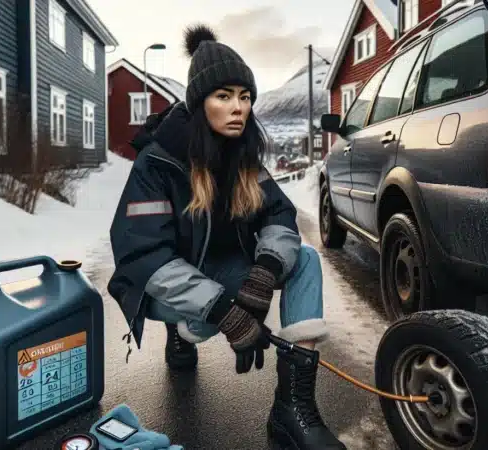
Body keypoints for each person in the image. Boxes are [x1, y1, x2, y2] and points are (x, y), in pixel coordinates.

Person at [107, 24, 346, 450]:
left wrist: (264, 274)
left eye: (246, 96)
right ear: (199, 104)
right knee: (196, 310)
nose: (239, 108)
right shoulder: (157, 164)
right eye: (224, 96)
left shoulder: (244, 157)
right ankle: (180, 332)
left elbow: (279, 214)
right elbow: (142, 254)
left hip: (226, 268)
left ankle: (293, 409)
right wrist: (225, 312)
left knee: (304, 258)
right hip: (169, 282)